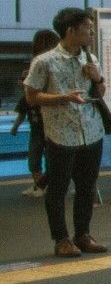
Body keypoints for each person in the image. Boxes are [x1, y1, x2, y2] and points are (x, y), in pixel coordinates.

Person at [23, 8, 109, 257]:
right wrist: (64, 98)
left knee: (87, 186)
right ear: (71, 31)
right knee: (58, 189)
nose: (91, 31)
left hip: (92, 132)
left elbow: (100, 93)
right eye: (87, 27)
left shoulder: (90, 58)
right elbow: (31, 96)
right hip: (61, 134)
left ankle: (83, 235)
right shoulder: (44, 61)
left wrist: (98, 78)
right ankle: (61, 239)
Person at [11, 28, 59, 199]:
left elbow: (31, 94)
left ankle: (41, 185)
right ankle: (42, 185)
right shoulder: (53, 62)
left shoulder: (41, 63)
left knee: (39, 154)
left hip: (42, 120)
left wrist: (26, 86)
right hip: (48, 120)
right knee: (50, 155)